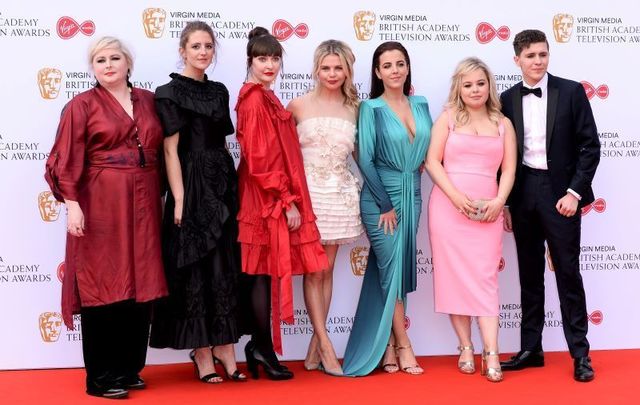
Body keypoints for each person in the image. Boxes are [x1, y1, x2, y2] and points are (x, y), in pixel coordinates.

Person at [44, 36, 168, 399]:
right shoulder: (80, 106)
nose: (109, 65)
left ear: (128, 63)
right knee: (104, 286)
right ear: (93, 68)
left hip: (145, 201)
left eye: (115, 57)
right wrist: (72, 203)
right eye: (100, 60)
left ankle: (129, 368)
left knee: (140, 283)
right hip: (100, 202)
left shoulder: (148, 100)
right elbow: (64, 158)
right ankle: (100, 376)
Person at [499, 29, 600, 382]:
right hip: (524, 192)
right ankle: (531, 349)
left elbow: (590, 147)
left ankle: (581, 354)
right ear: (517, 60)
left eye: (543, 54)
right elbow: (503, 157)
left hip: (561, 195)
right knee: (529, 275)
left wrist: (574, 193)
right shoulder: (506, 98)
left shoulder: (571, 92)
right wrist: (508, 204)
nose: (537, 61)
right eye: (530, 56)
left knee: (568, 274)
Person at [149, 21, 246, 384]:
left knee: (223, 265)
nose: (203, 52)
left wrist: (228, 187)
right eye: (196, 47)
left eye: (208, 46)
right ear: (183, 50)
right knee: (195, 269)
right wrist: (178, 200)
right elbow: (170, 151)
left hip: (220, 182)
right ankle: (202, 351)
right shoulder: (168, 92)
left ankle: (225, 346)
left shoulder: (220, 91)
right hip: (189, 185)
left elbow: (221, 143)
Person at [235, 26, 329, 380]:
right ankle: (261, 347)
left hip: (269, 195)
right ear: (250, 61)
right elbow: (260, 158)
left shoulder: (266, 96)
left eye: (275, 58)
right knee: (260, 275)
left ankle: (260, 347)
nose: (270, 64)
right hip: (264, 198)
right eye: (262, 58)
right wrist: (286, 199)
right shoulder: (255, 99)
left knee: (264, 274)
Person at [342, 41, 432, 376]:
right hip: (382, 201)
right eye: (387, 65)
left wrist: (419, 162)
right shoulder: (371, 109)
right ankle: (404, 344)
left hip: (414, 195)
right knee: (393, 270)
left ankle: (389, 348)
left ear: (407, 68)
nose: (395, 70)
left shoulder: (421, 105)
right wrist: (384, 204)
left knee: (396, 270)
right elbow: (365, 157)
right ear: (377, 72)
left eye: (400, 63)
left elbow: (428, 147)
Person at [426, 57, 517, 382]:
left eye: (480, 83)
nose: (475, 89)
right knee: (453, 278)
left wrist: (499, 202)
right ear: (459, 88)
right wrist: (455, 197)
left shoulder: (503, 123)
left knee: (485, 280)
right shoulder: (447, 119)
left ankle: (491, 351)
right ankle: (465, 346)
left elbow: (508, 169)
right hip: (449, 210)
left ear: (489, 86)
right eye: (468, 85)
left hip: (487, 211)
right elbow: (432, 162)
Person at [287, 39, 364, 376]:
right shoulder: (297, 105)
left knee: (327, 270)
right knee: (313, 270)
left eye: (338, 68)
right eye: (326, 67)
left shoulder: (357, 108)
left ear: (348, 70)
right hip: (308, 197)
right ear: (316, 69)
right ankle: (326, 344)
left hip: (340, 196)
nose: (332, 74)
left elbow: (363, 156)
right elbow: (285, 157)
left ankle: (316, 346)